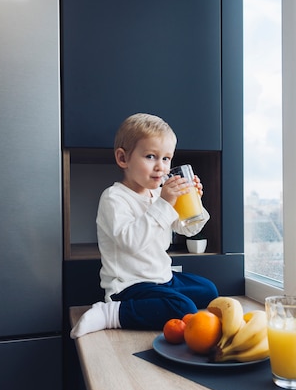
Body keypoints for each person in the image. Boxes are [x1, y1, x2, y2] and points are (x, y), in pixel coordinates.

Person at [70, 113, 218, 338]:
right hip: (130, 286)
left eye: (167, 158)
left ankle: (162, 300)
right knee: (183, 308)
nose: (161, 167)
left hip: (163, 278)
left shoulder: (159, 195)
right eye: (151, 156)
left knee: (209, 291)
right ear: (123, 159)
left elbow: (187, 229)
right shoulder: (114, 198)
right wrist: (164, 203)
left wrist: (195, 202)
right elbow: (131, 242)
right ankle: (110, 312)